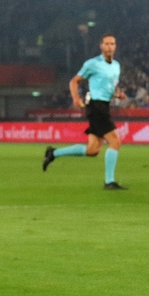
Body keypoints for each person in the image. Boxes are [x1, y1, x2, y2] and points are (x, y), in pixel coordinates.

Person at [43, 33, 127, 190]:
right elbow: (74, 80)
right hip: (96, 107)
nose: (110, 47)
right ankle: (109, 181)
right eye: (107, 44)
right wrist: (75, 97)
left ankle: (53, 153)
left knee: (93, 150)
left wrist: (118, 93)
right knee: (115, 141)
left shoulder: (116, 65)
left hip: (104, 106)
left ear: (115, 46)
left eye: (112, 44)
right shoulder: (92, 63)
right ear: (101, 46)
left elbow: (111, 85)